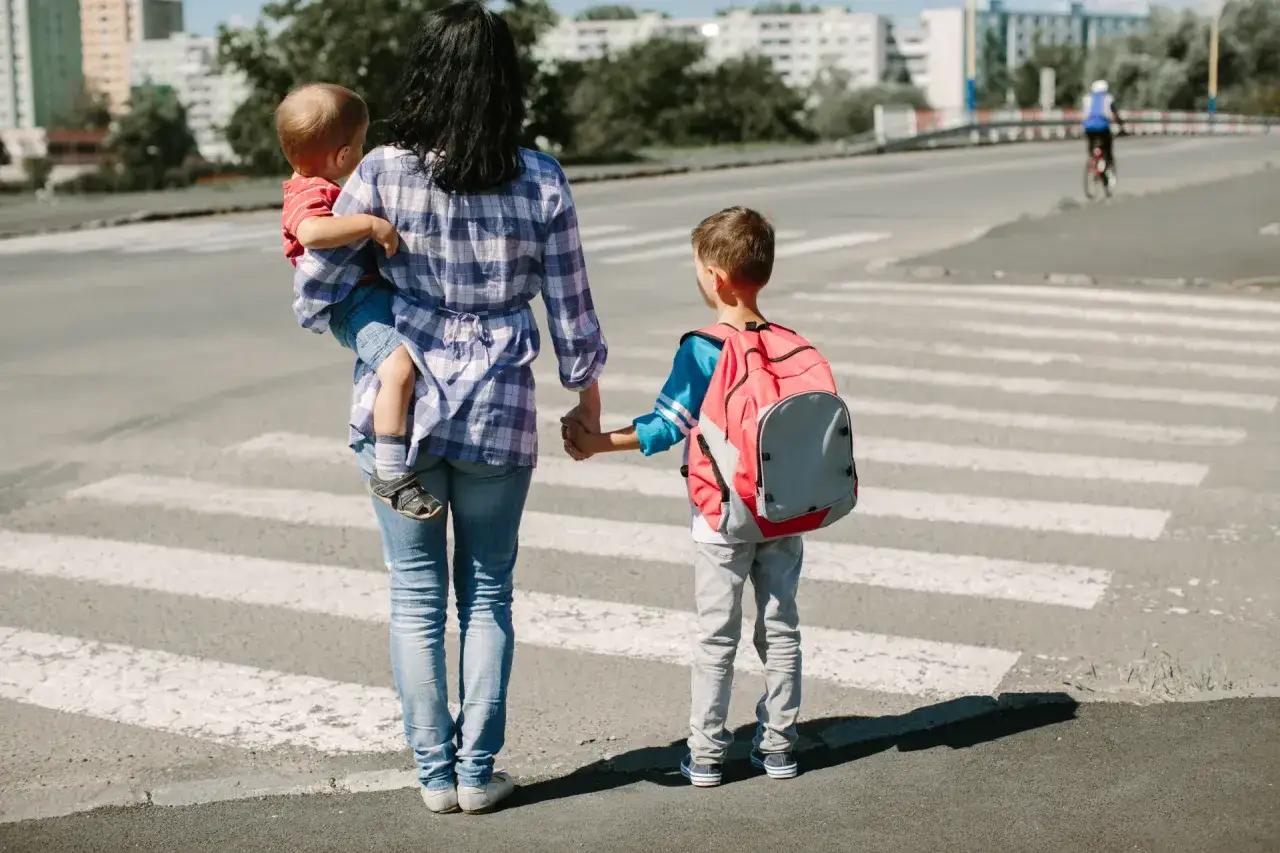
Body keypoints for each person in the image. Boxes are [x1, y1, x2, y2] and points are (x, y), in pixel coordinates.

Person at [292, 1, 607, 815]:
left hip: (404, 407)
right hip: (499, 401)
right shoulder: (540, 176)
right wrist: (586, 405)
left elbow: (317, 290)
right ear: (505, 82)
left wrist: (384, 345)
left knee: (414, 596)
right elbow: (572, 309)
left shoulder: (384, 172)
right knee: (490, 593)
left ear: (427, 73)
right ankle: (478, 771)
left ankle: (433, 773)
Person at [562, 207, 807, 788]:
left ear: (717, 276)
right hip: (785, 512)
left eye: (698, 266)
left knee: (716, 634)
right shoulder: (790, 344)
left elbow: (664, 427)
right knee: (782, 630)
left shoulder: (704, 348)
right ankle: (779, 748)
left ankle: (705, 754)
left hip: (722, 516)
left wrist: (597, 443)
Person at [276, 82, 442, 522]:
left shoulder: (316, 184)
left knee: (407, 364)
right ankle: (389, 470)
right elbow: (311, 232)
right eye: (361, 144)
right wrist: (369, 224)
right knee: (398, 367)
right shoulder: (309, 192)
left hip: (366, 295)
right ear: (343, 155)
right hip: (351, 303)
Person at [1082, 79, 1127, 183]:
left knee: (1091, 148)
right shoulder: (1108, 98)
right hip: (1103, 127)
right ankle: (1107, 168)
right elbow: (1115, 114)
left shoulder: (1087, 98)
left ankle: (1093, 161)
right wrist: (1121, 125)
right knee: (1107, 149)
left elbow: (1085, 114)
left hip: (1089, 128)